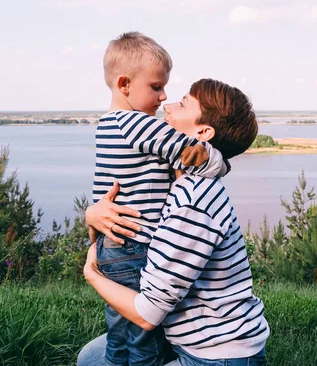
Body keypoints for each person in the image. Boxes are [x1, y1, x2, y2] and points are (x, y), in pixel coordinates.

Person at [80, 79, 269, 366]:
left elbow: (147, 314)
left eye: (182, 104)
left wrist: (93, 274)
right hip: (179, 336)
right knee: (91, 358)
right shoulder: (174, 178)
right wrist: (93, 214)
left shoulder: (194, 201)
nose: (166, 105)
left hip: (217, 354)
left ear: (203, 132)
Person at [93, 32, 228, 365]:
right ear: (125, 84)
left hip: (113, 247)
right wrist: (222, 161)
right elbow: (189, 153)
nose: (163, 96)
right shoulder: (137, 124)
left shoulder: (108, 123)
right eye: (156, 87)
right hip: (136, 246)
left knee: (120, 335)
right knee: (145, 343)